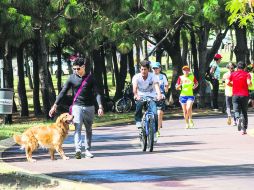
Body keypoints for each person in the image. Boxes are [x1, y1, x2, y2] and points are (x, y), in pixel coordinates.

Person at [49, 57, 104, 159]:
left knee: (88, 129)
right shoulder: (71, 78)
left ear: (83, 67)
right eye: (74, 69)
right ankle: (78, 150)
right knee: (77, 128)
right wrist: (55, 105)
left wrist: (100, 106)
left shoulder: (91, 78)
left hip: (89, 107)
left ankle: (87, 150)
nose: (76, 71)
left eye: (78, 68)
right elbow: (63, 92)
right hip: (77, 106)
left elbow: (97, 93)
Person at [132, 60, 162, 136]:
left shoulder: (153, 76)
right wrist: (136, 95)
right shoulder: (136, 77)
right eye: (142, 69)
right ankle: (138, 121)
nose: (143, 71)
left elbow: (156, 86)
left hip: (151, 95)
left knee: (155, 113)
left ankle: (154, 133)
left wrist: (159, 95)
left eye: (145, 69)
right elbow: (135, 87)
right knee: (139, 105)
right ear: (140, 69)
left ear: (148, 70)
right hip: (140, 95)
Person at [227, 61, 252, 135]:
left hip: (235, 95)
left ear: (237, 67)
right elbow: (248, 83)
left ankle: (237, 119)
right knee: (244, 112)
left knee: (236, 110)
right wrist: (250, 84)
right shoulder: (247, 74)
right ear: (244, 67)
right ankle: (244, 129)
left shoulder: (233, 74)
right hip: (244, 95)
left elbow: (228, 82)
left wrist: (233, 85)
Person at [151, 62, 169, 135]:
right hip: (151, 96)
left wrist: (166, 88)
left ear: (160, 69)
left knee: (159, 113)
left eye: (156, 68)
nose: (155, 70)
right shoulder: (150, 76)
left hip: (160, 96)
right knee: (152, 113)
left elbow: (166, 88)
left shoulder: (162, 76)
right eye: (154, 68)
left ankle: (157, 130)